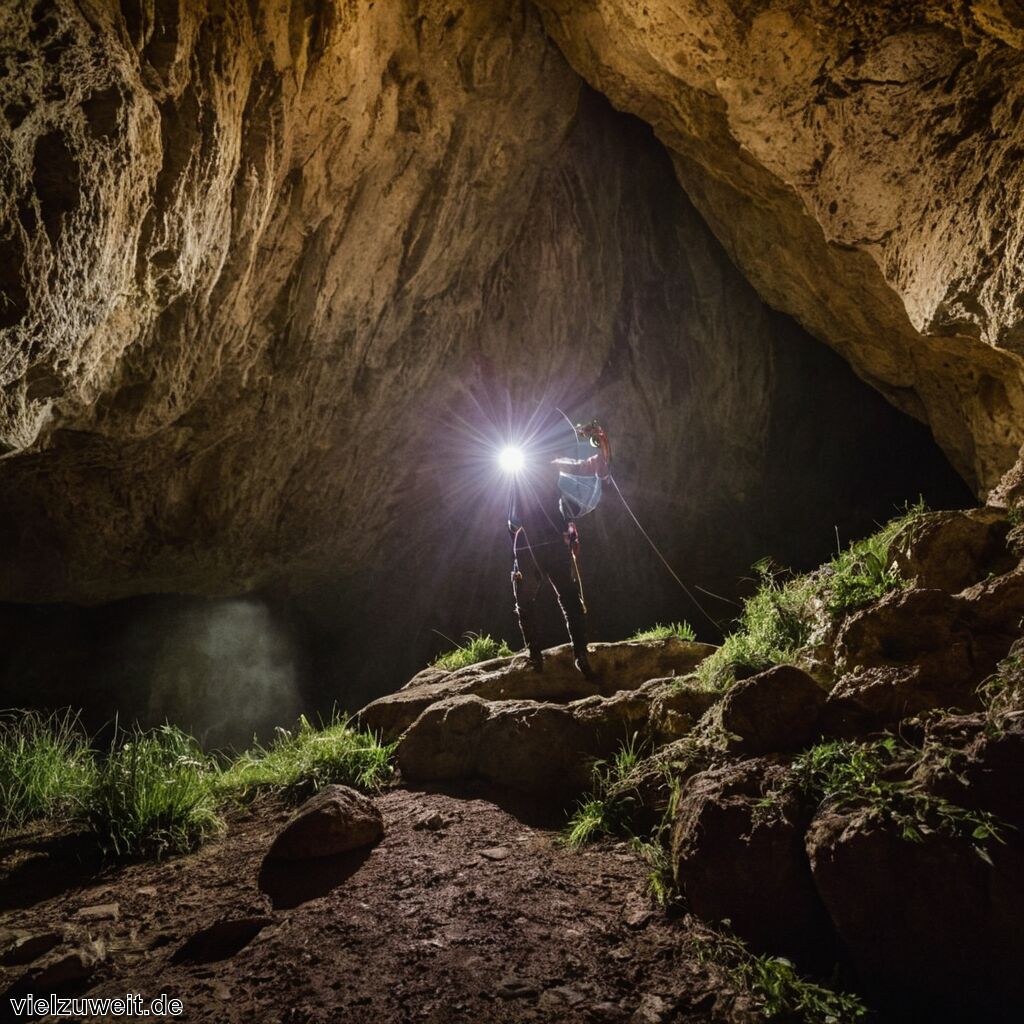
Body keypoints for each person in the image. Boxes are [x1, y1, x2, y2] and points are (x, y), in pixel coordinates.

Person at [507, 412, 611, 680]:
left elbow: (591, 467)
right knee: (558, 598)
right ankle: (557, 655)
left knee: (547, 599)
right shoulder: (536, 464)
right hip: (541, 541)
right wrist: (599, 450)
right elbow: (587, 467)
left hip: (537, 542)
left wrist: (601, 445)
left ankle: (555, 656)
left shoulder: (544, 464)